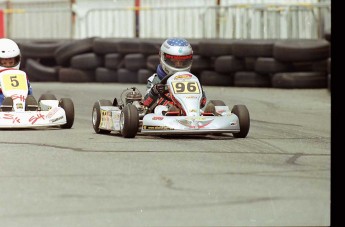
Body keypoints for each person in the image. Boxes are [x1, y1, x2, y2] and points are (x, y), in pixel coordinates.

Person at [142, 37, 208, 114]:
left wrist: (198, 98)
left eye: (182, 61)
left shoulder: (192, 80)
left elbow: (203, 103)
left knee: (199, 111)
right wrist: (154, 92)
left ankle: (210, 114)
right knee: (160, 109)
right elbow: (146, 104)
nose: (178, 65)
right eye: (174, 61)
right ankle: (172, 113)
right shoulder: (155, 79)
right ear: (162, 57)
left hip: (188, 111)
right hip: (163, 112)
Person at [0, 38, 33, 107]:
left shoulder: (22, 75)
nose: (8, 65)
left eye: (11, 62)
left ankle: (30, 108)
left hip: (21, 102)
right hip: (2, 103)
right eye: (4, 63)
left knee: (46, 98)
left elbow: (29, 93)